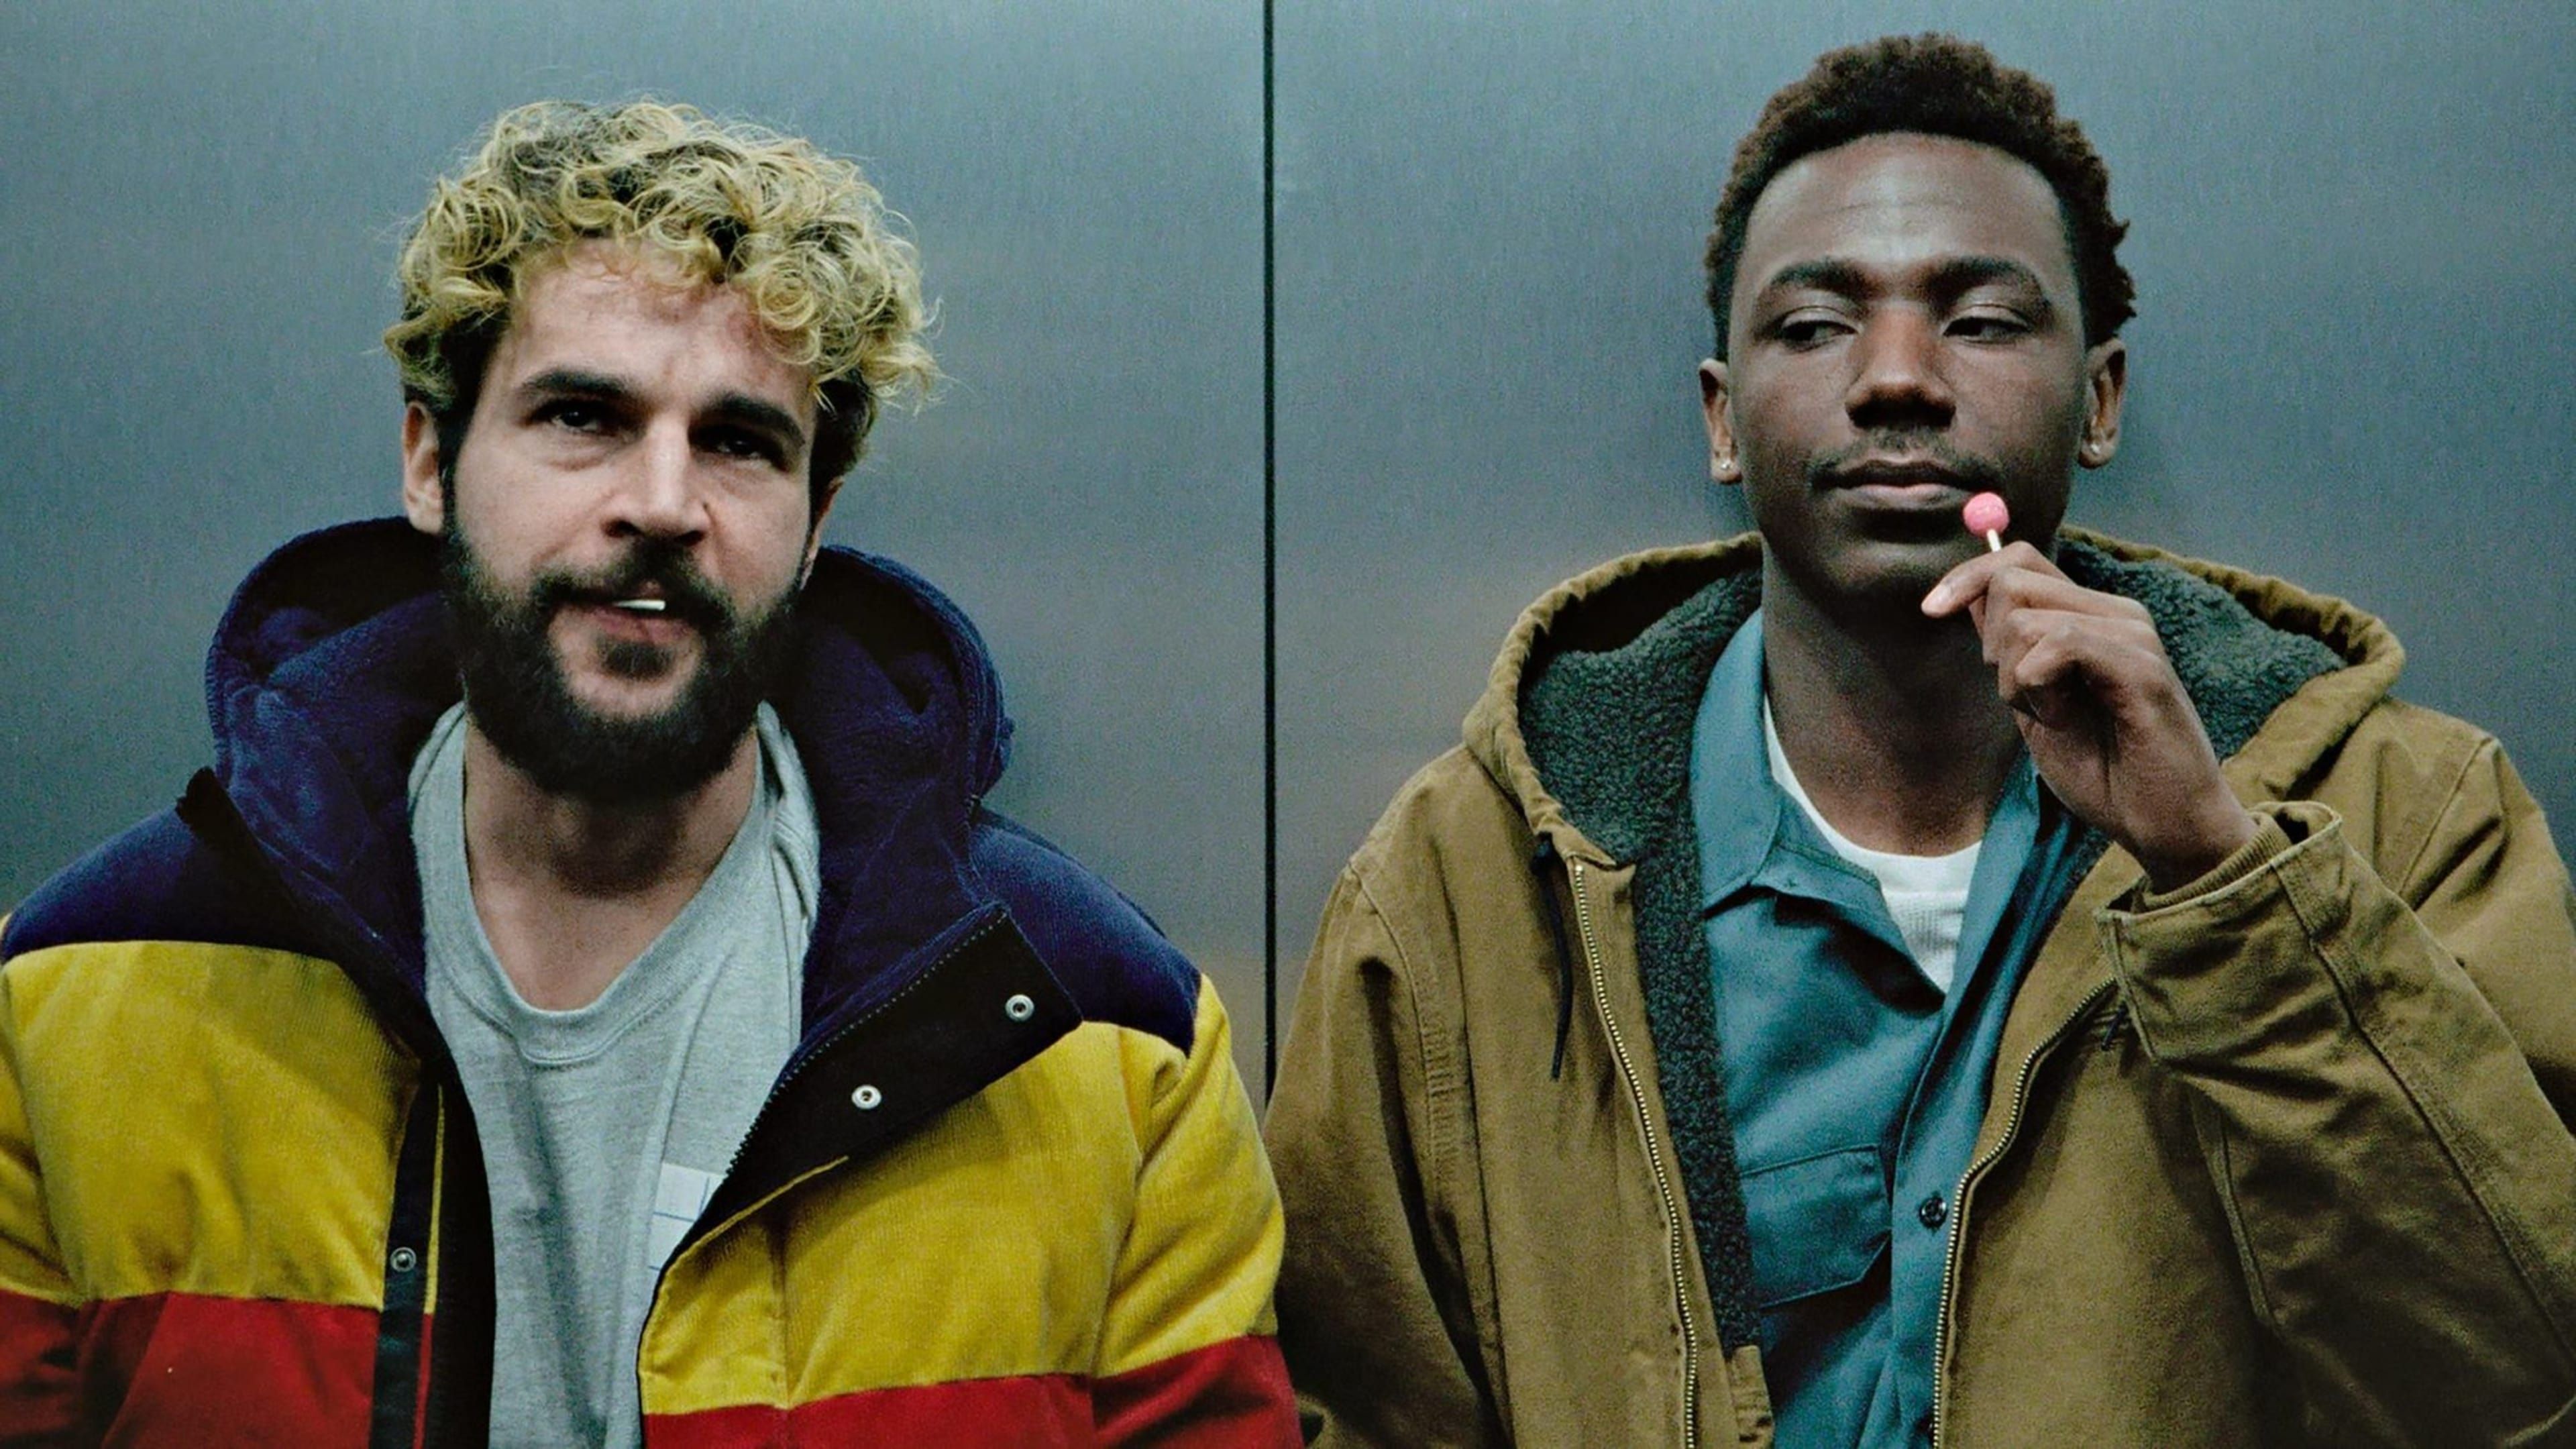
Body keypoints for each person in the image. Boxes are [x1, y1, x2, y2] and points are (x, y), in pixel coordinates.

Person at [1267, 33, 2576, 1448]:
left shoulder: (2402, 819)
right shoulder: (1468, 887)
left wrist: (2222, 878)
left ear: (2100, 401)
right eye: (1813, 326)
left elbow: (2520, 1383)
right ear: (1722, 420)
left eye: (1985, 321)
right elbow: (1349, 1410)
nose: (1897, 378)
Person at [0, 100, 1295, 1446]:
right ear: (431, 463)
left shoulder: (1104, 1037)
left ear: (814, 525)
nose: (665, 503)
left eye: (739, 442)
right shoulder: (72, 998)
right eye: (583, 416)